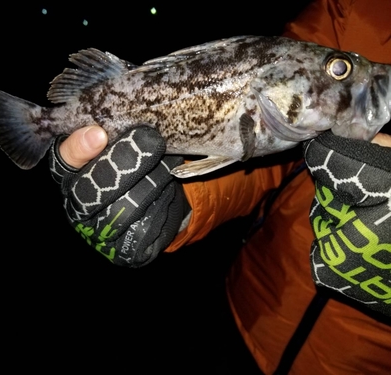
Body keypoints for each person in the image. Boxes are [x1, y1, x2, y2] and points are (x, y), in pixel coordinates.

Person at [52, 0, 391, 373]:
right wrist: (187, 202)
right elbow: (270, 161)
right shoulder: (354, 8)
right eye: (339, 67)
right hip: (248, 301)